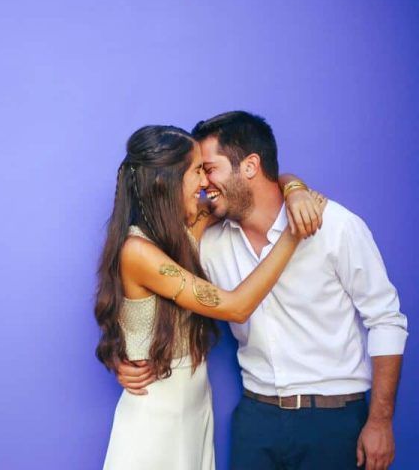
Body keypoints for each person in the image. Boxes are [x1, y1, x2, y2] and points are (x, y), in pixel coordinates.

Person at [117, 112, 408, 470]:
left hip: (333, 418)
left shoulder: (336, 226)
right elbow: (160, 300)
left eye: (209, 169)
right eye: (198, 171)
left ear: (251, 166)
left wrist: (380, 421)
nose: (204, 183)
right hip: (255, 420)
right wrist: (126, 355)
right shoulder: (206, 240)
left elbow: (386, 320)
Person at [95, 125, 325, 470]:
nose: (205, 182)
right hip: (156, 417)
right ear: (166, 181)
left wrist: (294, 188)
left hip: (195, 410)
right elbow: (236, 307)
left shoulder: (186, 227)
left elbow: (256, 183)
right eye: (197, 171)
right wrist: (293, 235)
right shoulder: (137, 251)